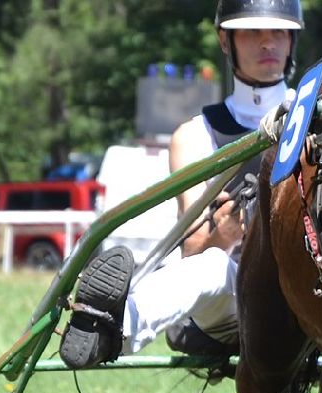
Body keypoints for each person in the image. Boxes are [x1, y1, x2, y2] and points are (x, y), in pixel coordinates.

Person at [61, 0, 301, 368]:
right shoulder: (194, 136)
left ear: (292, 40)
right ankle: (109, 331)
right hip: (241, 298)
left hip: (315, 293)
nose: (268, 42)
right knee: (208, 267)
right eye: (253, 31)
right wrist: (224, 234)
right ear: (226, 41)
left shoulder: (321, 116)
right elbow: (192, 247)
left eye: (279, 32)